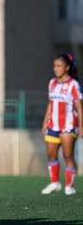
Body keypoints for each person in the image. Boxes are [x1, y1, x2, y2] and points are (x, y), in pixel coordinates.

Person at [41, 53, 83, 196]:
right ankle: (54, 183)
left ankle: (69, 186)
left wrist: (81, 126)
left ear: (67, 67)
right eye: (54, 66)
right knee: (51, 154)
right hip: (53, 125)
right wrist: (45, 120)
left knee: (68, 155)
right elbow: (51, 103)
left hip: (68, 125)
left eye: (59, 66)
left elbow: (79, 107)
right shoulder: (52, 83)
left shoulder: (73, 85)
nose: (56, 69)